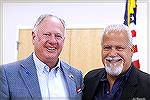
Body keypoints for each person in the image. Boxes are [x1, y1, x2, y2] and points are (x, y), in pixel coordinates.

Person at [0, 14, 84, 100]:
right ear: (34, 37)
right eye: (47, 34)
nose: (53, 41)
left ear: (63, 40)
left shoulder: (76, 76)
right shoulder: (7, 74)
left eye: (58, 36)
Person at [82, 24, 150, 100]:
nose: (112, 54)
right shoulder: (89, 79)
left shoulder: (147, 84)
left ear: (131, 50)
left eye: (119, 48)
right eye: (107, 48)